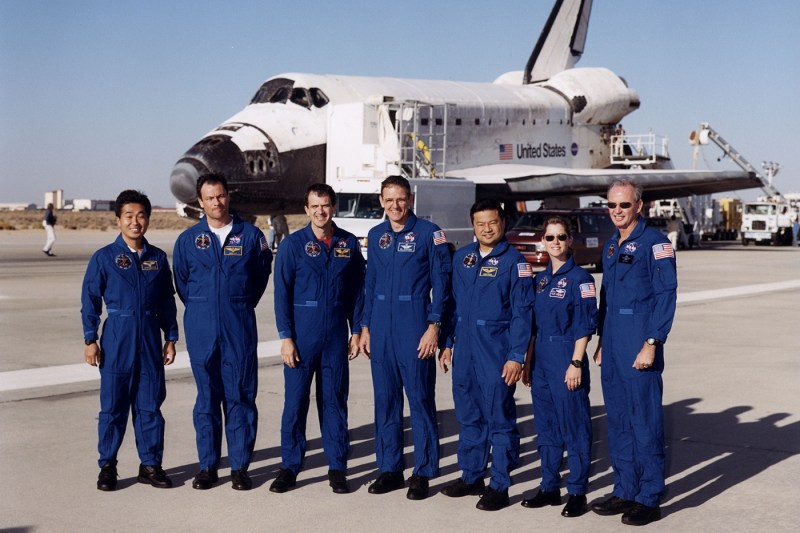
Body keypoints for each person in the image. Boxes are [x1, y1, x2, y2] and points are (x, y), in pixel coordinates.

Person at [173, 174, 272, 491]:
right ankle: (207, 466)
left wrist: (238, 303)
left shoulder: (252, 236)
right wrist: (205, 307)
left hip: (238, 325)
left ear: (228, 196)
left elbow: (260, 274)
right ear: (199, 202)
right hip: (201, 328)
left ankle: (240, 468)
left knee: (241, 397)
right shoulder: (188, 241)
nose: (217, 202)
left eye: (221, 196)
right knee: (206, 399)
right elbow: (183, 283)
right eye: (210, 197)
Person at [358, 175, 451, 500]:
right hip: (381, 326)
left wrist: (434, 326)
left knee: (420, 400)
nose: (395, 205)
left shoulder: (429, 233)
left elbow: (441, 283)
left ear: (409, 199)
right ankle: (390, 468)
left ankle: (423, 471)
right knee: (385, 400)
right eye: (389, 200)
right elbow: (369, 285)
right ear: (381, 201)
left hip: (414, 323)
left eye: (400, 199)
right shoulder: (375, 234)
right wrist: (365, 326)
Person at [591, 179, 677, 526]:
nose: (617, 211)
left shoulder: (655, 244)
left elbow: (666, 295)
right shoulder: (611, 245)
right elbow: (606, 298)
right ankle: (625, 488)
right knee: (619, 420)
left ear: (639, 206)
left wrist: (652, 342)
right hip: (612, 341)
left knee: (645, 420)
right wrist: (600, 341)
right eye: (611, 205)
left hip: (640, 339)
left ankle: (649, 495)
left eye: (624, 205)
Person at [438, 199, 533, 511]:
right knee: (468, 415)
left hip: (496, 349)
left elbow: (523, 314)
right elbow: (452, 305)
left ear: (502, 223)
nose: (487, 228)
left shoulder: (515, 262)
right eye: (480, 224)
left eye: (492, 222)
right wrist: (447, 342)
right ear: (473, 226)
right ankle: (472, 475)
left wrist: (516, 355)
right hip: (464, 348)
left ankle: (500, 483)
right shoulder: (463, 257)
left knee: (499, 418)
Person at [80, 189, 179, 491]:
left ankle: (150, 465)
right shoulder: (105, 258)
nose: (135, 222)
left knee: (150, 407)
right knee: (113, 408)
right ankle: (108, 466)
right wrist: (90, 339)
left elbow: (166, 301)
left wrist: (171, 337)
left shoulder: (158, 258)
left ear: (148, 219)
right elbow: (90, 299)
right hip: (117, 340)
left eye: (141, 215)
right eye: (129, 216)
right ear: (118, 220)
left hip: (150, 340)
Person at [270, 183, 365, 494]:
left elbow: (357, 291)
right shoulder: (293, 245)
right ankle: (290, 466)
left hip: (335, 337)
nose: (320, 211)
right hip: (301, 337)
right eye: (315, 206)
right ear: (306, 209)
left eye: (325, 205)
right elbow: (281, 294)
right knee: (295, 403)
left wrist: (356, 329)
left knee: (335, 403)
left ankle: (337, 466)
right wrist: (286, 337)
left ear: (333, 207)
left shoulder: (348, 244)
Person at [520, 215, 598, 517]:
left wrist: (576, 362)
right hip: (541, 359)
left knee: (574, 426)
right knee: (547, 427)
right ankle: (549, 486)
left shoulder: (581, 279)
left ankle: (577, 490)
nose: (556, 243)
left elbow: (585, 327)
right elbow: (533, 327)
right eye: (550, 237)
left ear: (571, 241)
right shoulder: (540, 280)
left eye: (561, 237)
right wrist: (528, 362)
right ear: (543, 241)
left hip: (567, 355)